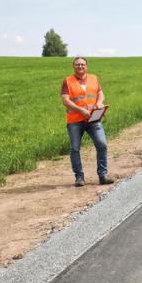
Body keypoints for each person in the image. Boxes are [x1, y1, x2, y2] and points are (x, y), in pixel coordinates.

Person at [60, 57, 114, 187]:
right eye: (77, 64)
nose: (80, 66)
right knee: (75, 148)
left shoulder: (94, 78)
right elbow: (66, 101)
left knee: (102, 144)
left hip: (93, 119)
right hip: (75, 120)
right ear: (73, 66)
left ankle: (103, 175)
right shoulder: (67, 81)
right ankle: (79, 177)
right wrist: (81, 110)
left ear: (86, 66)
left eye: (82, 64)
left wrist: (99, 102)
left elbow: (100, 93)